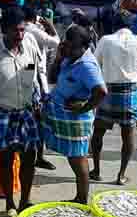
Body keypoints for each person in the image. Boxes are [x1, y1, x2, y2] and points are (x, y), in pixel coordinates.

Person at [0, 7, 43, 217]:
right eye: (16, 31)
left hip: (27, 111)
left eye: (23, 30)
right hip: (2, 113)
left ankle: (25, 200)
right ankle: (9, 203)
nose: (20, 35)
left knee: (29, 159)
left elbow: (34, 75)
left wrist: (38, 100)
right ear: (4, 30)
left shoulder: (30, 50)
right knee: (5, 161)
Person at [44, 25, 106, 203]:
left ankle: (81, 199)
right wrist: (58, 56)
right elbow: (52, 78)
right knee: (74, 157)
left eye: (74, 47)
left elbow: (101, 91)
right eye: (67, 45)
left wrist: (85, 107)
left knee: (78, 159)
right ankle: (80, 197)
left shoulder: (87, 65)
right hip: (62, 113)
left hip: (76, 119)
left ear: (85, 47)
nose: (70, 50)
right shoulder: (69, 57)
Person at [91, 9, 137, 185]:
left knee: (98, 131)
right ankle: (121, 175)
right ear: (130, 24)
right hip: (130, 91)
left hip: (107, 90)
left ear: (114, 24)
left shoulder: (105, 40)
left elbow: (95, 62)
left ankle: (97, 170)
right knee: (128, 134)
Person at [24, 6, 60, 171]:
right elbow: (56, 41)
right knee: (38, 121)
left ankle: (35, 156)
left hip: (30, 80)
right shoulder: (32, 31)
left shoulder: (28, 31)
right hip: (35, 81)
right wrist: (50, 25)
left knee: (34, 121)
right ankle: (37, 156)